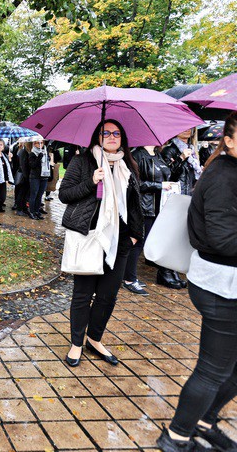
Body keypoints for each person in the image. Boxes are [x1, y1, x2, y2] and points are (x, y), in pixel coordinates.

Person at [157, 112, 237, 452]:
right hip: (222, 286)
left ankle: (205, 420)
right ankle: (176, 436)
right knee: (212, 370)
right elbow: (223, 238)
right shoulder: (223, 176)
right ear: (229, 139)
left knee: (230, 367)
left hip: (226, 282)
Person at [60, 120, 143, 368]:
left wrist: (135, 235)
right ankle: (76, 343)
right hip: (90, 237)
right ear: (98, 136)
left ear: (122, 139)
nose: (111, 136)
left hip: (121, 242)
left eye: (116, 133)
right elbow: (64, 194)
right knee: (83, 294)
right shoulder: (82, 161)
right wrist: (91, 182)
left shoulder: (128, 165)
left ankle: (94, 339)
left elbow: (136, 203)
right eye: (105, 132)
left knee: (108, 296)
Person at [126, 145, 174, 295]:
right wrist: (159, 186)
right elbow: (134, 183)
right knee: (138, 242)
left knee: (143, 241)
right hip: (143, 207)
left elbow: (166, 174)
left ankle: (128, 275)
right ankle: (129, 279)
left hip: (157, 207)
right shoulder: (137, 155)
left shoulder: (157, 154)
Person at [161, 128, 201, 196]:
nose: (187, 129)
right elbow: (167, 176)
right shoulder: (169, 150)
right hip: (177, 194)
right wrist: (181, 158)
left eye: (190, 127)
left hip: (191, 193)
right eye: (183, 126)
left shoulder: (193, 150)